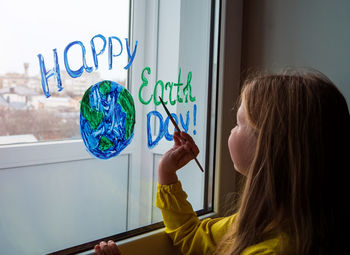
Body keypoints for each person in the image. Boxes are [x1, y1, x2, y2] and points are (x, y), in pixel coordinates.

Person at [95, 70, 350, 254]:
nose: (230, 131)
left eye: (239, 123)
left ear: (270, 148)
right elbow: (192, 236)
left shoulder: (271, 248)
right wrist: (167, 172)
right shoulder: (270, 221)